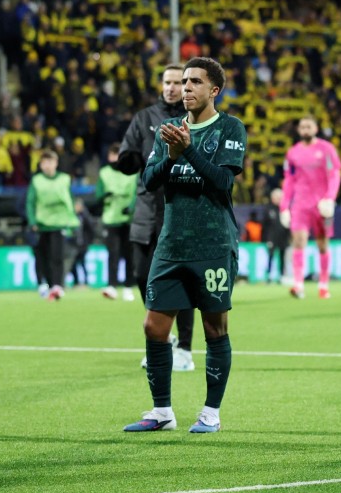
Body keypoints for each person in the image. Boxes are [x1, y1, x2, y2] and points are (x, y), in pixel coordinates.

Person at [122, 57, 247, 435]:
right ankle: (162, 411)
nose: (186, 87)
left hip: (212, 244)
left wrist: (188, 152)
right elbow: (149, 181)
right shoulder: (168, 130)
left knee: (215, 329)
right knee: (154, 327)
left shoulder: (230, 128)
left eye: (194, 82)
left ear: (214, 90)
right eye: (184, 81)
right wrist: (172, 155)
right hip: (171, 244)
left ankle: (210, 412)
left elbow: (222, 182)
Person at [117, 64, 196, 372]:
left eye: (179, 82)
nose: (172, 88)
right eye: (168, 82)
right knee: (141, 275)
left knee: (184, 281)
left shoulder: (196, 118)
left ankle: (185, 349)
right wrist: (129, 159)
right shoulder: (144, 118)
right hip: (147, 209)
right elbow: (128, 156)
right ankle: (163, 335)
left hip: (179, 208)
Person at [280, 116, 341, 299]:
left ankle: (323, 285)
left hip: (321, 204)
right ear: (299, 130)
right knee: (299, 241)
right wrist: (284, 206)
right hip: (300, 204)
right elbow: (289, 181)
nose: (305, 129)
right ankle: (298, 284)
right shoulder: (292, 153)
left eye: (309, 126)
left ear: (316, 128)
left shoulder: (327, 149)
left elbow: (334, 175)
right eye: (302, 127)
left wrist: (330, 198)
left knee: (322, 244)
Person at [26, 149, 79, 301]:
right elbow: (31, 202)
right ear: (41, 165)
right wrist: (32, 221)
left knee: (57, 256)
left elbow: (70, 200)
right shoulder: (36, 181)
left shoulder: (64, 179)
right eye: (44, 162)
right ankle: (47, 284)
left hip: (60, 223)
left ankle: (57, 285)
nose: (48, 165)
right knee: (42, 256)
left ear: (56, 163)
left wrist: (72, 220)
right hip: (42, 224)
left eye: (50, 162)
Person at [95, 146, 137, 300]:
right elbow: (97, 194)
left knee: (129, 255)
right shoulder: (104, 173)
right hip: (111, 219)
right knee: (113, 254)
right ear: (109, 156)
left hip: (128, 219)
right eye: (113, 154)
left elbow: (136, 193)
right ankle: (111, 285)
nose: (116, 158)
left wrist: (131, 208)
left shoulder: (133, 172)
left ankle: (128, 287)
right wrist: (103, 196)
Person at [261, 188, 290, 284]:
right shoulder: (268, 209)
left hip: (283, 237)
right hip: (272, 238)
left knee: (282, 257)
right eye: (277, 197)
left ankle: (282, 276)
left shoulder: (285, 210)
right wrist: (265, 238)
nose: (279, 199)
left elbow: (289, 225)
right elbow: (264, 225)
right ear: (272, 198)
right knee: (271, 256)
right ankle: (269, 275)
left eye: (280, 197)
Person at [68, 199, 98, 287]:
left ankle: (85, 282)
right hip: (74, 245)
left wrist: (88, 242)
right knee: (73, 264)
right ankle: (76, 282)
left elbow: (91, 230)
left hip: (83, 244)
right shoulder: (72, 216)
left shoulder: (85, 216)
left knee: (82, 263)